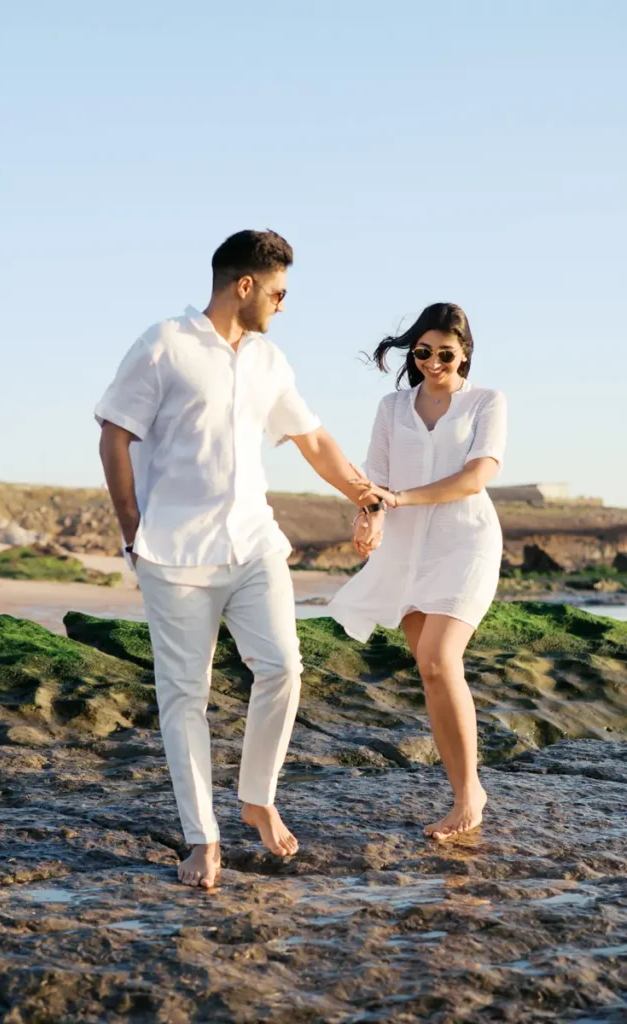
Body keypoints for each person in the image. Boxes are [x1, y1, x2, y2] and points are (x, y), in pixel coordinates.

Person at [95, 229, 367, 889]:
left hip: (253, 543)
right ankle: (202, 838)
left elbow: (313, 438)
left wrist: (364, 492)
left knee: (282, 667)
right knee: (183, 694)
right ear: (243, 285)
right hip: (174, 552)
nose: (282, 304)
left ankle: (256, 797)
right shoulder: (163, 344)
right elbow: (114, 434)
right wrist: (133, 529)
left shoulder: (270, 359)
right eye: (277, 291)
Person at [329, 303, 507, 841]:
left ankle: (468, 794)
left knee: (439, 657)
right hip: (405, 548)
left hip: (465, 541)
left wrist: (398, 498)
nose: (433, 362)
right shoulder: (392, 407)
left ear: (465, 353)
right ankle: (463, 793)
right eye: (423, 352)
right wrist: (368, 518)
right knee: (430, 673)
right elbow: (376, 480)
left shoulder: (486, 402)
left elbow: (476, 477)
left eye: (445, 353)